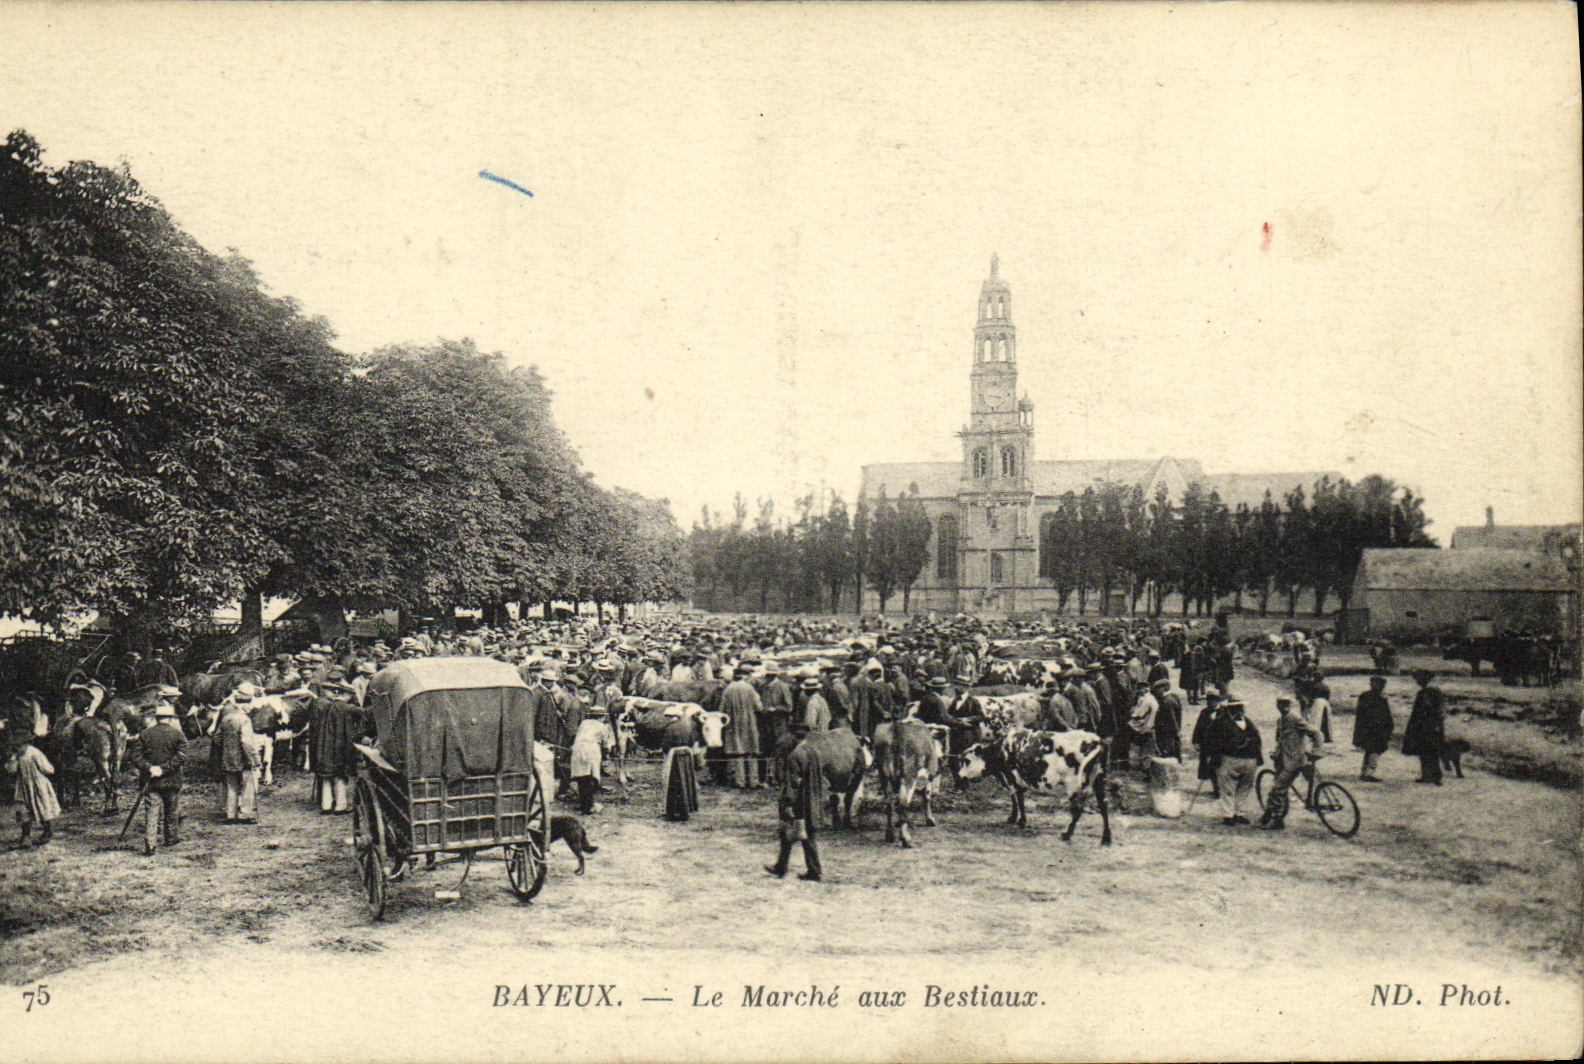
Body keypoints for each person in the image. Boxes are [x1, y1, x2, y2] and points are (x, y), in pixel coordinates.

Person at [765, 722, 822, 883]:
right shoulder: (814, 751)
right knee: (806, 835)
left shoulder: (795, 756)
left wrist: (789, 804)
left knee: (789, 832)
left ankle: (784, 867)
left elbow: (793, 784)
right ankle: (811, 869)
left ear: (794, 736)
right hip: (812, 800)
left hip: (799, 803)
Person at [128, 700, 186, 855]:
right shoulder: (178, 735)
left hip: (150, 781)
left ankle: (150, 844)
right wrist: (164, 769)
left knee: (151, 812)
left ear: (157, 717)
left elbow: (135, 756)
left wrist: (149, 768)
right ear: (171, 718)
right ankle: (171, 838)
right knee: (171, 810)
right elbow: (181, 757)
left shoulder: (145, 734)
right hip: (171, 779)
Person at [1261, 697, 1322, 830]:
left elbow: (1315, 732)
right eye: (1280, 705)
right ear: (1277, 705)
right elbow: (1281, 739)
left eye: (1286, 705)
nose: (1283, 707)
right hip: (1283, 759)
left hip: (1295, 761)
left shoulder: (1294, 717)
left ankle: (1277, 820)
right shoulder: (1281, 720)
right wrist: (1276, 753)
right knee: (1278, 787)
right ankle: (1270, 812)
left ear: (1290, 705)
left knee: (1278, 788)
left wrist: (1316, 751)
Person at [309, 681, 363, 815]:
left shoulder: (328, 706)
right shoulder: (345, 707)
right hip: (337, 748)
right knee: (340, 775)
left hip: (325, 746)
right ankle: (340, 806)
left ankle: (326, 806)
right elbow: (364, 713)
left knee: (327, 777)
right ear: (347, 694)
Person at [1206, 699, 1262, 825]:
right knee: (1228, 787)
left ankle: (1237, 813)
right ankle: (1229, 815)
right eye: (1237, 707)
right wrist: (1214, 757)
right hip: (1230, 758)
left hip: (1247, 759)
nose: (1240, 709)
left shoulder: (1246, 722)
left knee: (1243, 786)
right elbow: (1212, 740)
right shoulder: (1221, 722)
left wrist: (1257, 756)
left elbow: (1257, 739)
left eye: (1240, 706)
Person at [213, 691, 260, 824]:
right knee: (247, 786)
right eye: (249, 704)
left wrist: (228, 748)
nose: (250, 707)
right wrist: (254, 759)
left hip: (228, 759)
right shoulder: (245, 719)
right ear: (244, 705)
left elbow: (216, 739)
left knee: (231, 787)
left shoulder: (226, 718)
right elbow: (247, 742)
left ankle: (230, 815)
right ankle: (245, 814)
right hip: (243, 759)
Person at [8, 736, 61, 848]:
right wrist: (13, 759)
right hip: (23, 785)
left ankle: (47, 831)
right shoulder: (16, 755)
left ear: (26, 744)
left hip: (37, 785)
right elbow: (11, 771)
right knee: (23, 810)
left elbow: (49, 769)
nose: (17, 748)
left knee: (42, 807)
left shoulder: (35, 753)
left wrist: (41, 774)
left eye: (19, 745)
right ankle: (26, 836)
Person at [719, 663, 764, 789]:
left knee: (737, 752)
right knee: (751, 752)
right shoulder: (749, 688)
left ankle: (740, 781)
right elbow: (759, 707)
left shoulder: (727, 690)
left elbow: (721, 709)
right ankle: (753, 780)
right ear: (744, 676)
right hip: (749, 723)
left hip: (733, 725)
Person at [1401, 669, 1446, 785]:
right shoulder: (1424, 692)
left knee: (1431, 751)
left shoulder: (1432, 692)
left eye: (1419, 679)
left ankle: (1436, 777)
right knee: (1424, 751)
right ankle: (1426, 776)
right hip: (1423, 727)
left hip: (1430, 727)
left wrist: (1436, 724)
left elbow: (1439, 710)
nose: (1417, 681)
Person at [568, 705, 615, 814]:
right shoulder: (602, 726)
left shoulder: (584, 723)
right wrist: (607, 753)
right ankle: (588, 806)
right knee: (589, 778)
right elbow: (605, 744)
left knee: (581, 778)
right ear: (601, 717)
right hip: (591, 750)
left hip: (578, 749)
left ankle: (584, 803)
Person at [1351, 675, 1394, 782]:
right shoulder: (1379, 698)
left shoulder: (1365, 696)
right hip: (1375, 730)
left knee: (1370, 751)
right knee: (1375, 750)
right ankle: (1369, 773)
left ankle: (1364, 772)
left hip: (1369, 729)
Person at [1191, 690, 1227, 798]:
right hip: (1206, 744)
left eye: (1213, 700)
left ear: (1218, 700)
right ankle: (1215, 788)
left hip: (1218, 745)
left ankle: (1220, 789)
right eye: (1209, 700)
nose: (1210, 702)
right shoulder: (1204, 712)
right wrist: (1196, 741)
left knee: (1219, 767)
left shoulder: (1224, 712)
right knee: (1209, 767)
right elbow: (1198, 727)